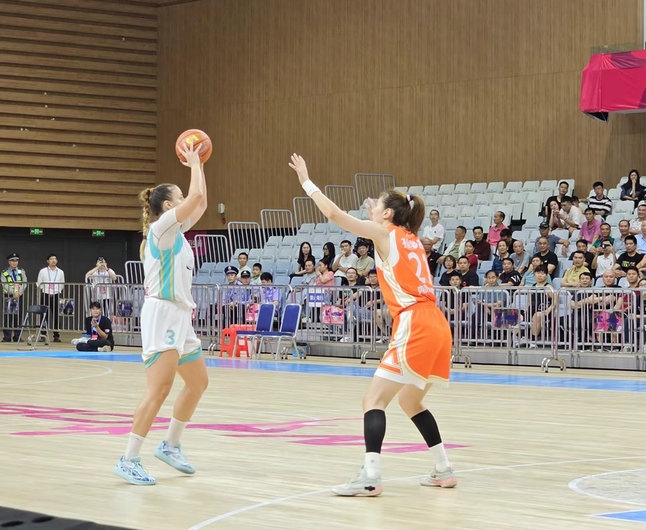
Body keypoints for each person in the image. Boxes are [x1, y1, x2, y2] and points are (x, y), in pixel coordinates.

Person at [289, 153, 455, 496]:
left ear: (388, 214)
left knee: (373, 400)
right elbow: (388, 236)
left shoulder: (384, 233)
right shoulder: (411, 238)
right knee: (411, 402)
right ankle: (443, 469)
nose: (373, 209)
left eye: (377, 205)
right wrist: (375, 214)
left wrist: (306, 181)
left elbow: (334, 215)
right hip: (437, 324)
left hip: (415, 322)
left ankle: (370, 478)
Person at [114, 141, 209, 486]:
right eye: (179, 196)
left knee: (198, 383)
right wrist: (194, 163)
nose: (186, 199)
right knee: (159, 389)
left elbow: (201, 201)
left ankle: (170, 445)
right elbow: (196, 198)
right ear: (168, 206)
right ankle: (128, 459)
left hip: (180, 315)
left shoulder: (178, 231)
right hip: (162, 313)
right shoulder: (162, 228)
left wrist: (201, 164)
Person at [36, 253, 65, 342]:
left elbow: (62, 283)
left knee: (56, 315)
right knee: (44, 315)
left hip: (56, 295)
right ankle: (43, 335)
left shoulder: (60, 272)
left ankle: (56, 335)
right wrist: (45, 290)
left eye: (55, 259)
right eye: (51, 259)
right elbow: (39, 283)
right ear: (48, 261)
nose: (53, 261)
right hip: (45, 294)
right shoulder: (43, 271)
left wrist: (58, 290)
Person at [1, 253, 26, 343]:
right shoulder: (4, 272)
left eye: (16, 261)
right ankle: (7, 337)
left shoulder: (21, 271)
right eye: (12, 261)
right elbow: (4, 284)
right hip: (8, 296)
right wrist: (13, 292)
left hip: (19, 296)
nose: (15, 262)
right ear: (9, 262)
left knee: (18, 316)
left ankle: (17, 336)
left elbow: (24, 282)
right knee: (8, 316)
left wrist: (19, 292)